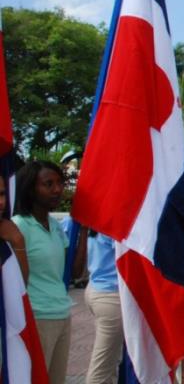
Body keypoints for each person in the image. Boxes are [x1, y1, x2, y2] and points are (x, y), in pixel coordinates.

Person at [10, 160, 86, 384]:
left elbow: (74, 272)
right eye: (48, 184)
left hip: (61, 313)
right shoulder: (19, 227)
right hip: (36, 317)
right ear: (30, 188)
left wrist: (83, 229)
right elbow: (16, 281)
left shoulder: (54, 225)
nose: (57, 189)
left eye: (60, 183)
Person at [84, 227, 123, 383]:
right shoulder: (112, 226)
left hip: (97, 289)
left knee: (111, 359)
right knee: (103, 366)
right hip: (110, 295)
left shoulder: (98, 223)